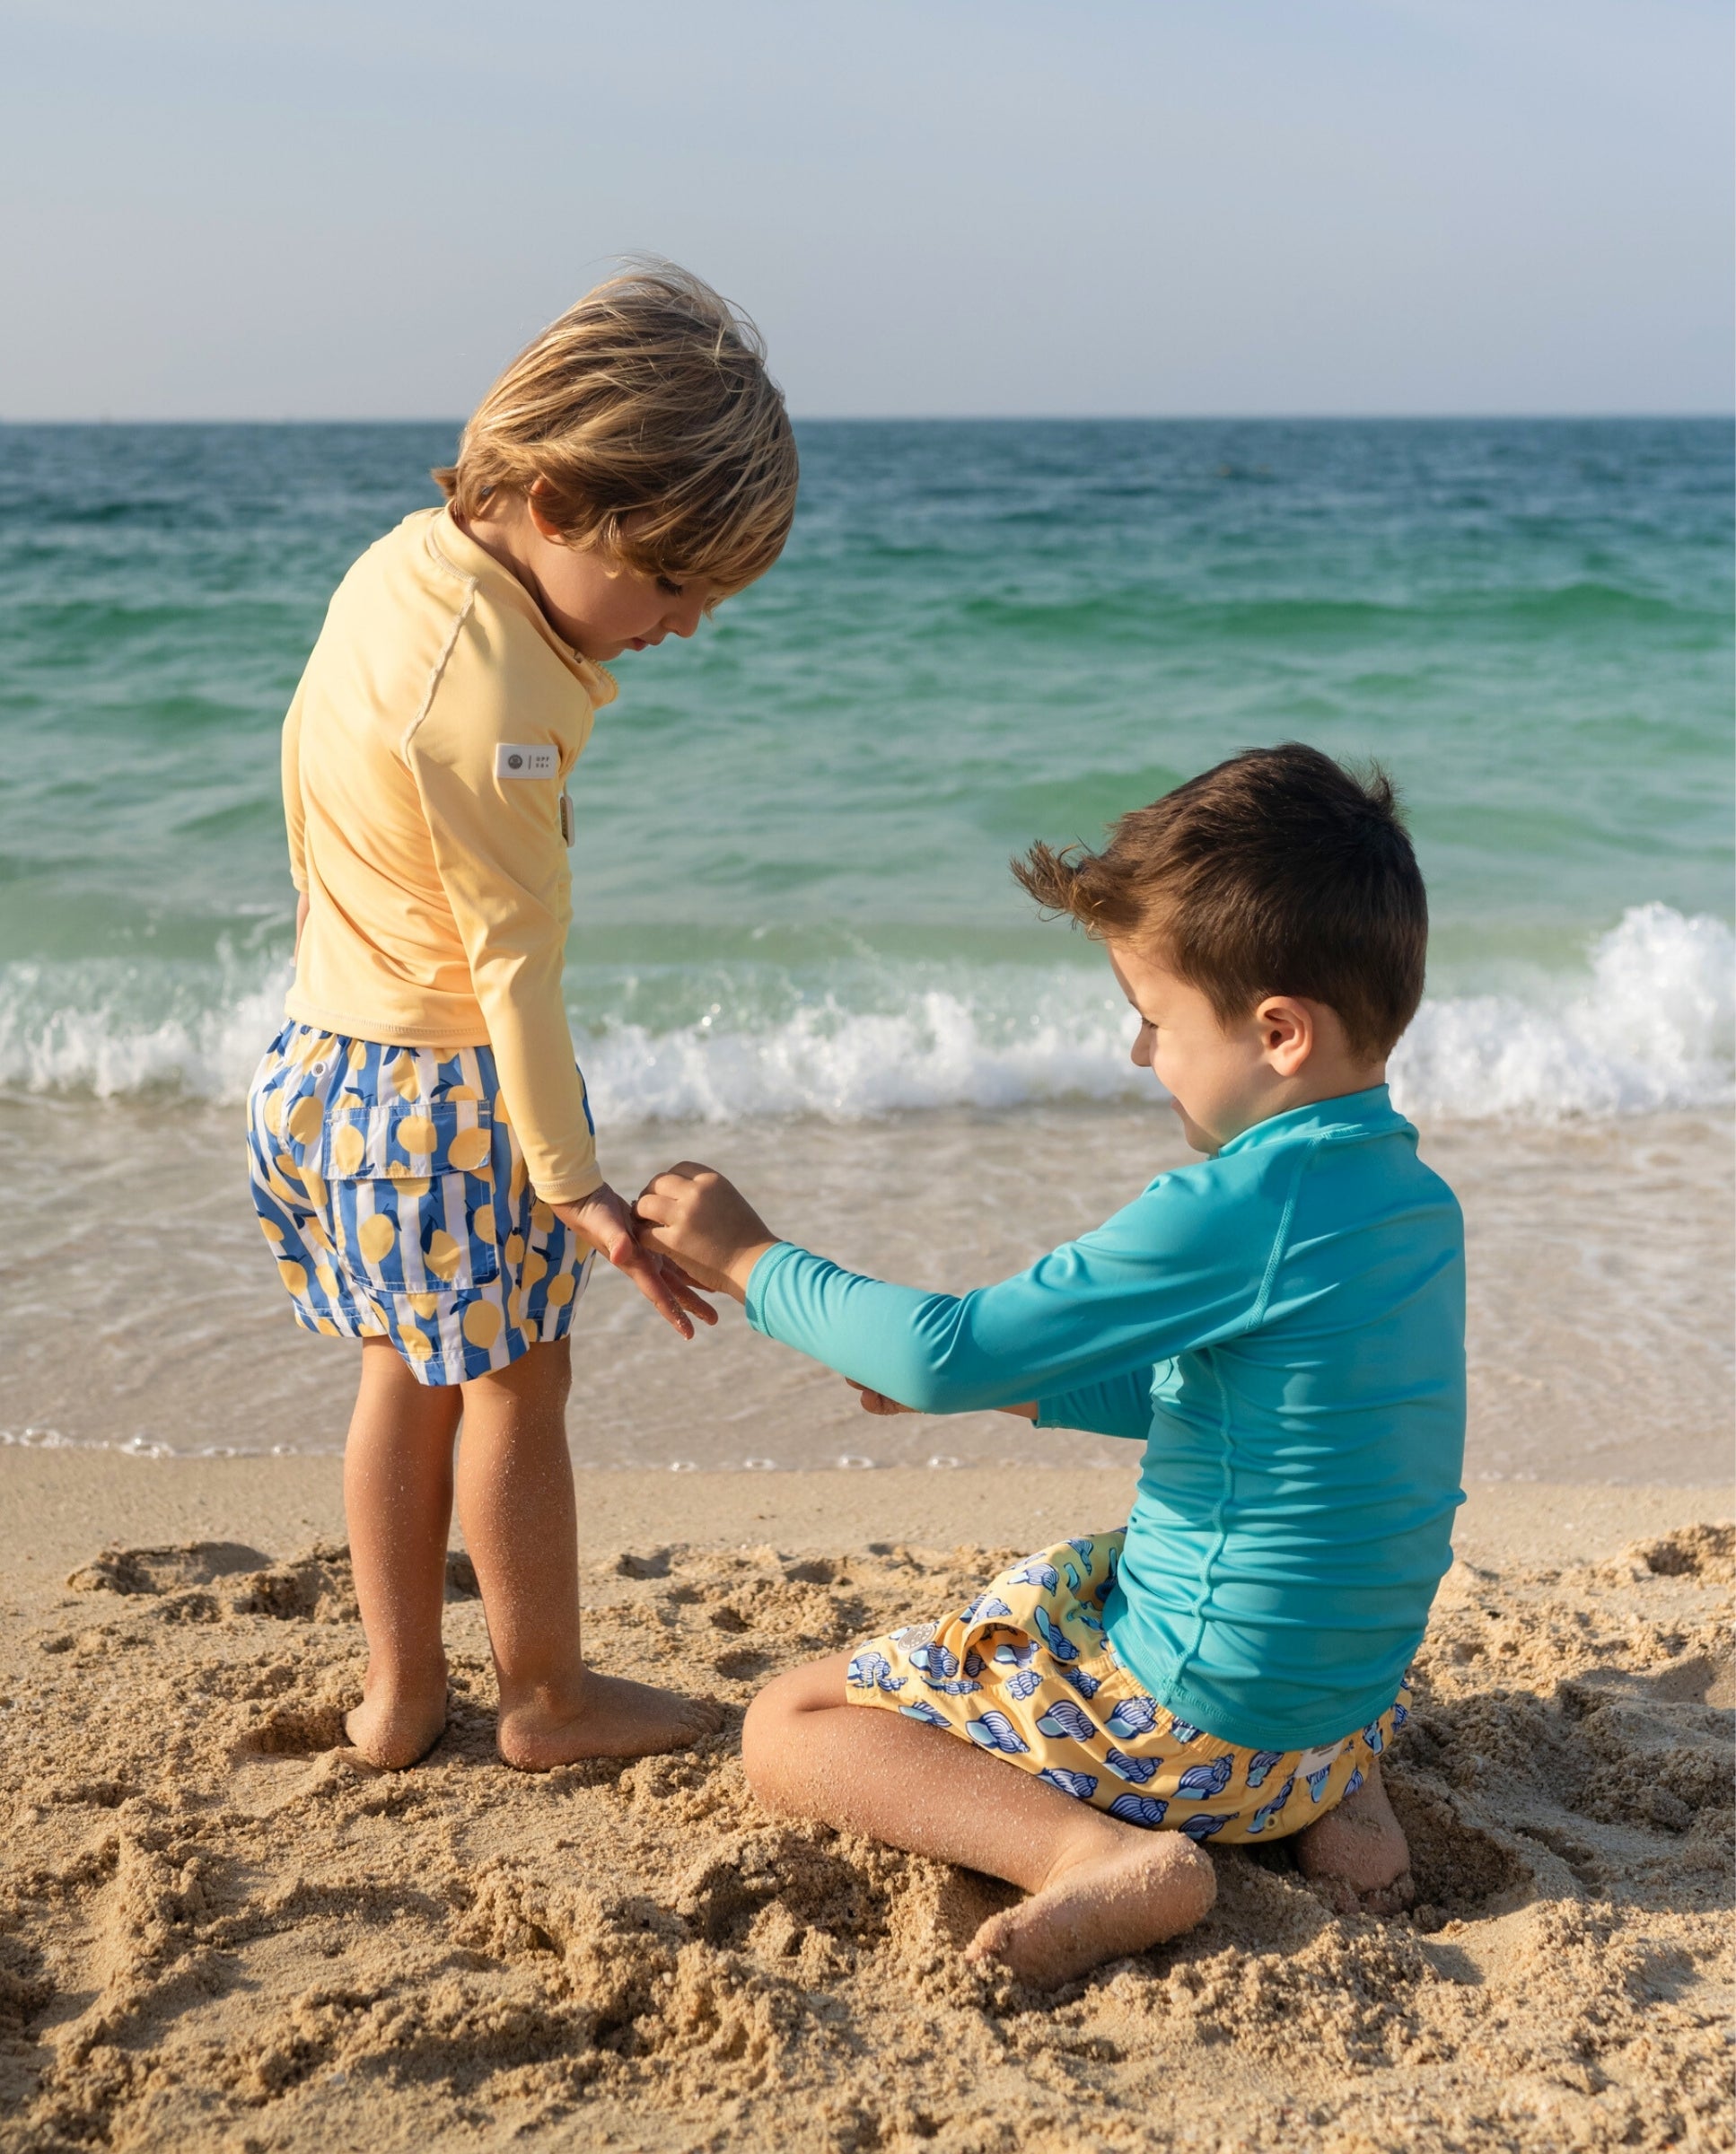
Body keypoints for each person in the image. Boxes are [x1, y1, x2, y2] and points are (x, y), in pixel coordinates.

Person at [635, 744, 1466, 1986]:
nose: (1138, 1055)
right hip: (1331, 1706)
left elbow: (936, 1354)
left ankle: (1094, 1854)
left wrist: (748, 1257)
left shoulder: (1235, 1201)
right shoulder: (1410, 1199)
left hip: (1199, 1727)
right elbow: (1239, 1406)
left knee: (789, 1724)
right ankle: (1335, 1803)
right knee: (1140, 1575)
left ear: (1278, 1033)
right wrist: (1031, 1390)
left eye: (1153, 1019)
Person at [247, 264, 797, 1772]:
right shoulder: (494, 705)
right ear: (556, 505)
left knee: (403, 1368)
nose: (683, 627)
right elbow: (514, 960)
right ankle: (546, 1699)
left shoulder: (398, 569)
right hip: (443, 1089)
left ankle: (398, 1693)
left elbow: (304, 774)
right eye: (673, 585)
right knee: (515, 1383)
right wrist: (574, 1185)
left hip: (326, 1056)